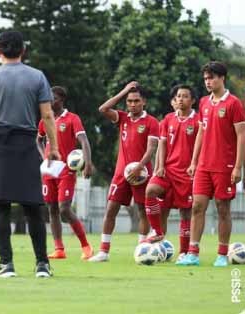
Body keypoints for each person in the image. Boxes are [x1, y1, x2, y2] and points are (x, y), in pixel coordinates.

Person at [0, 30, 59, 278]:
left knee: (0, 206)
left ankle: (6, 264)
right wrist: (55, 148)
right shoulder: (37, 77)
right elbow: (48, 115)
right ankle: (42, 264)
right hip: (27, 144)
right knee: (33, 206)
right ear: (23, 50)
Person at [177, 61, 245, 267]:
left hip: (224, 166)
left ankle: (222, 254)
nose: (208, 81)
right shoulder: (205, 103)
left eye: (212, 77)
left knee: (223, 208)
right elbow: (201, 132)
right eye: (205, 78)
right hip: (203, 166)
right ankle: (193, 253)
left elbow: (241, 135)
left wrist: (238, 166)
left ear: (222, 78)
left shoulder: (234, 103)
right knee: (197, 206)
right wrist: (194, 161)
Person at [89, 82, 159, 262]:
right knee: (111, 209)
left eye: (136, 100)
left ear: (144, 101)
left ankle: (142, 249)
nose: (133, 104)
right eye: (129, 101)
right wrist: (124, 91)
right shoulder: (122, 118)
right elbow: (103, 108)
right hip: (121, 173)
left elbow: (151, 149)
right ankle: (104, 252)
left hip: (142, 174)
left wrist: (139, 167)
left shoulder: (151, 122)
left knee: (143, 210)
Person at [37, 86, 94, 260]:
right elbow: (38, 139)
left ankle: (86, 246)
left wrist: (87, 163)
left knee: (64, 208)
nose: (49, 101)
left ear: (61, 100)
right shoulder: (45, 120)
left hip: (65, 170)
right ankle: (59, 249)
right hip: (48, 170)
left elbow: (84, 141)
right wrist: (43, 156)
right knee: (52, 208)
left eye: (52, 98)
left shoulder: (72, 119)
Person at [144, 85, 198, 263]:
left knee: (185, 214)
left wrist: (195, 165)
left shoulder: (198, 120)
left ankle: (183, 252)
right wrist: (159, 166)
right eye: (178, 96)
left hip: (187, 175)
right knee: (150, 190)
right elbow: (162, 145)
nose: (181, 99)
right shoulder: (168, 119)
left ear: (192, 100)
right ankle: (158, 232)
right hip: (168, 170)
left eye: (185, 96)